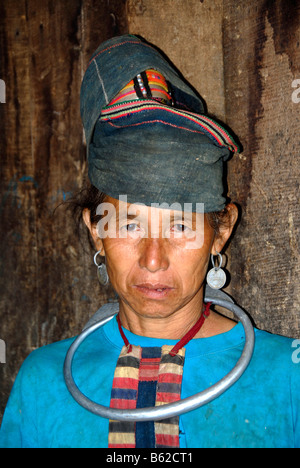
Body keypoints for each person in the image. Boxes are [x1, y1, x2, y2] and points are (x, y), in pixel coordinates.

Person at [0, 35, 299, 449]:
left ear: (221, 232)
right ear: (96, 232)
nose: (153, 259)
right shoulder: (42, 382)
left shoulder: (288, 379)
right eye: (128, 224)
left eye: (179, 226)